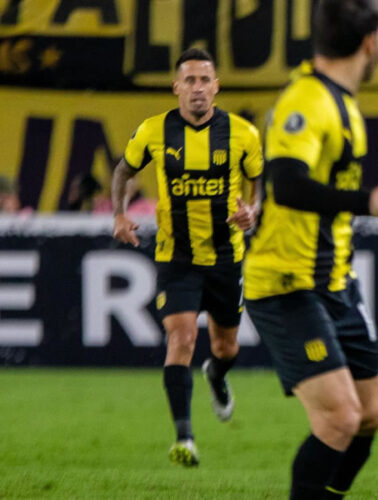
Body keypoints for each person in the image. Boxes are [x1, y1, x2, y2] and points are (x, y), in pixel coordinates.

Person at [243, 1, 378, 498]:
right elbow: (286, 185)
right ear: (370, 42)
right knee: (339, 418)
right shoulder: (308, 101)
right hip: (287, 284)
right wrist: (370, 201)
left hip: (336, 282)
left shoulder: (341, 100)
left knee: (368, 416)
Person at [111, 48, 263, 467]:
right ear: (176, 87)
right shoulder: (154, 130)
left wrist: (253, 211)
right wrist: (119, 213)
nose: (198, 88)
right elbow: (123, 170)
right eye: (190, 81)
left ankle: (216, 373)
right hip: (176, 256)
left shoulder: (243, 134)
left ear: (217, 87)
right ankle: (185, 438)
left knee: (225, 347)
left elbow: (259, 182)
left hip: (226, 257)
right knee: (181, 340)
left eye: (205, 80)